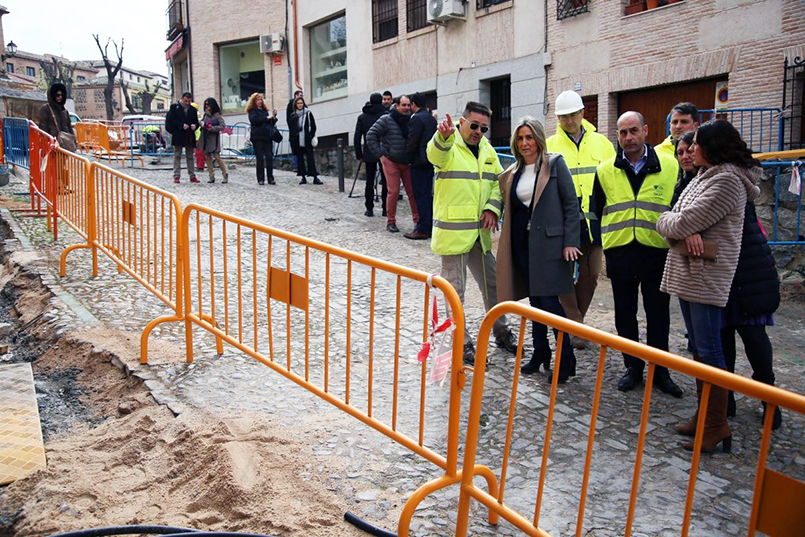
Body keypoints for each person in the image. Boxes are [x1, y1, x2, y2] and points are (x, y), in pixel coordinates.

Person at [657, 119, 762, 452]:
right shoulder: (703, 176)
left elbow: (678, 220)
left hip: (706, 276)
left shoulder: (728, 181)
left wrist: (679, 227)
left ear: (712, 148)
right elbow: (669, 217)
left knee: (710, 351)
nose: (691, 150)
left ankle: (716, 424)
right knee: (699, 351)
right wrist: (681, 229)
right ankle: (704, 416)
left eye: (697, 144)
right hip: (690, 272)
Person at [590, 111, 683, 398]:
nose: (628, 138)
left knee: (658, 315)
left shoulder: (670, 166)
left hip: (656, 252)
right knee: (624, 314)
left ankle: (661, 370)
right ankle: (633, 367)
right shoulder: (605, 170)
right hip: (620, 253)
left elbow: (681, 209)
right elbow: (595, 211)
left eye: (633, 131)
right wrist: (600, 245)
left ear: (645, 130)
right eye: (622, 133)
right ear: (617, 136)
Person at [426, 101, 518, 364]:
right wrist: (442, 137)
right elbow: (435, 155)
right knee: (455, 293)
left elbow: (498, 185)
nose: (478, 131)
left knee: (493, 285)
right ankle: (462, 343)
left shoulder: (488, 150)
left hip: (481, 235)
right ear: (462, 122)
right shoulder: (448, 142)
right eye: (474, 125)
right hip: (454, 235)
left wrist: (492, 208)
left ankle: (501, 331)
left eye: (484, 128)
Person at [497, 116, 580, 382]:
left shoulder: (555, 164)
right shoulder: (514, 172)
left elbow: (571, 205)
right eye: (520, 138)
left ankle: (566, 359)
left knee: (550, 304)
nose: (525, 143)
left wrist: (570, 242)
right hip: (524, 247)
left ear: (539, 138)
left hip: (552, 247)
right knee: (534, 303)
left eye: (529, 137)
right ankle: (541, 352)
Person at [547, 90, 616, 349]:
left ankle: (573, 322)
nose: (569, 121)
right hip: (563, 224)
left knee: (590, 276)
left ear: (582, 113)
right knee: (563, 277)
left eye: (573, 115)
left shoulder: (602, 144)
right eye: (563, 117)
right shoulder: (550, 145)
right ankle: (575, 326)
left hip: (594, 222)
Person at [722, 200, 782, 430]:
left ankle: (769, 398)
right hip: (720, 274)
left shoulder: (730, 184)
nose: (686, 160)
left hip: (746, 270)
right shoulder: (692, 183)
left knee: (754, 337)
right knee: (723, 337)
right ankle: (725, 399)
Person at [365, 95, 418, 233]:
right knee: (393, 192)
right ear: (397, 105)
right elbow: (371, 135)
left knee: (412, 192)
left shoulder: (412, 120)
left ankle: (417, 221)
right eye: (404, 105)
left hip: (407, 161)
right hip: (391, 160)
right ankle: (391, 221)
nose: (407, 108)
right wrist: (380, 155)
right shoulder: (386, 119)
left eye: (408, 105)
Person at [405, 93, 438, 240]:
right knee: (428, 195)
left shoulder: (417, 118)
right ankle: (430, 225)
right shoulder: (431, 118)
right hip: (430, 160)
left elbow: (413, 140)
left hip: (419, 161)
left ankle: (423, 228)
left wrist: (408, 157)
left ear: (413, 104)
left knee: (420, 196)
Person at [354, 92, 389, 217]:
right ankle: (386, 208)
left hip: (369, 151)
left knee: (369, 180)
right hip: (384, 151)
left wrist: (359, 153)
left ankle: (369, 208)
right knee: (386, 180)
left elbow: (357, 137)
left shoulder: (363, 117)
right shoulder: (386, 115)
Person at [165, 92, 200, 184]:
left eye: (189, 101)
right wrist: (180, 125)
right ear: (182, 98)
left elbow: (196, 122)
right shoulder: (174, 108)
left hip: (189, 135)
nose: (187, 103)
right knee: (177, 155)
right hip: (178, 134)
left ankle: (192, 176)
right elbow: (170, 121)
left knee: (190, 156)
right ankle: (176, 176)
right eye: (185, 101)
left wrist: (195, 126)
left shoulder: (193, 109)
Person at [289, 96, 321, 185]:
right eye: (298, 103)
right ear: (296, 104)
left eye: (301, 103)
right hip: (298, 140)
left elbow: (313, 126)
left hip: (307, 139)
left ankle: (314, 176)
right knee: (300, 159)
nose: (300, 105)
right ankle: (303, 177)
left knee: (310, 158)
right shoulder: (293, 115)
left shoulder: (308, 113)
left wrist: (310, 135)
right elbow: (292, 129)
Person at [248, 93, 279, 185]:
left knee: (269, 157)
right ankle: (260, 178)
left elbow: (269, 122)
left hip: (266, 136)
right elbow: (254, 121)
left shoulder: (265, 110)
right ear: (254, 101)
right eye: (258, 99)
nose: (260, 101)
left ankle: (270, 177)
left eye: (261, 99)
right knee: (260, 158)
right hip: (257, 136)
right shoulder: (252, 111)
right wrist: (266, 118)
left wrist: (273, 117)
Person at [200, 97, 228, 184]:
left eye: (209, 105)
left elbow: (222, 126)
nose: (207, 107)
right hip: (206, 138)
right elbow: (202, 123)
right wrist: (202, 124)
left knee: (217, 157)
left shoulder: (217, 115)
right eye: (206, 105)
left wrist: (211, 128)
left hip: (214, 139)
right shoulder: (205, 115)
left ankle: (225, 174)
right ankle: (211, 176)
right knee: (207, 157)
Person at [671, 131, 697, 207]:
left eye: (689, 151)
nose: (685, 157)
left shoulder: (710, 181)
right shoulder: (680, 185)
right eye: (680, 153)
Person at [286, 89, 303, 171]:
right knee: (295, 149)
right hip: (294, 132)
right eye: (300, 96)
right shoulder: (290, 105)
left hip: (302, 132)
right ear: (295, 96)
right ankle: (296, 166)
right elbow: (288, 119)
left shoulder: (304, 106)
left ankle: (301, 165)